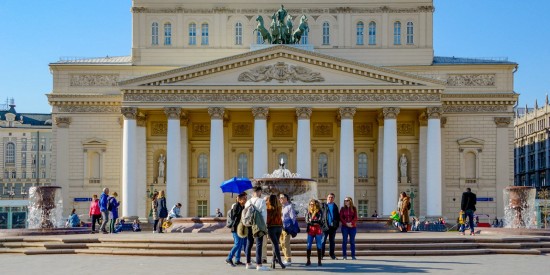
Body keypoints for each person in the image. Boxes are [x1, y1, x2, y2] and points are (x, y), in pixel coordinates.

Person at [244, 186, 269, 271]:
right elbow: (264, 215)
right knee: (259, 244)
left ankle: (248, 263)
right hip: (258, 225)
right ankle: (259, 264)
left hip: (249, 225)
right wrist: (264, 226)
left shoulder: (248, 202)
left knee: (249, 243)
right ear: (258, 192)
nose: (260, 194)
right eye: (260, 192)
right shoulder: (261, 201)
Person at [226, 192, 247, 267]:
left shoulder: (242, 206)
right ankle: (229, 258)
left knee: (240, 244)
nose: (246, 200)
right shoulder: (236, 206)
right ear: (240, 199)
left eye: (246, 198)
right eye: (244, 198)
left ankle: (237, 260)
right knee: (237, 244)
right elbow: (234, 216)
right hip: (235, 228)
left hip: (241, 228)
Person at [266, 194, 286, 269]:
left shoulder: (267, 207)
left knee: (275, 245)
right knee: (275, 244)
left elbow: (267, 218)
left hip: (271, 228)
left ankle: (279, 261)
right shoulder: (279, 206)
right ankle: (273, 261)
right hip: (279, 227)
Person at [306, 199, 324, 267]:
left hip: (318, 231)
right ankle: (308, 260)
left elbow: (320, 221)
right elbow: (307, 221)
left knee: (319, 245)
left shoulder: (319, 212)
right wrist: (314, 222)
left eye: (312, 204)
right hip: (310, 230)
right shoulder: (308, 212)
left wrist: (312, 222)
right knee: (308, 245)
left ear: (316, 205)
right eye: (310, 204)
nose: (311, 206)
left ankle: (319, 261)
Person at [322, 193, 340, 260]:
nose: (330, 198)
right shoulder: (323, 205)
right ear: (327, 198)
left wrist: (336, 225)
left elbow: (337, 217)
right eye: (329, 197)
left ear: (333, 198)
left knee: (332, 241)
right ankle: (321, 255)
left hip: (333, 227)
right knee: (323, 241)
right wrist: (322, 224)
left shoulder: (335, 206)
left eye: (332, 197)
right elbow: (320, 215)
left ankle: (332, 254)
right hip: (325, 227)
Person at [279, 193, 296, 266]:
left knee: (286, 243)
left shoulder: (289, 207)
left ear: (286, 198)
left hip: (287, 228)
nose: (280, 199)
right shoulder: (280, 207)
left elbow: (293, 218)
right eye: (280, 198)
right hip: (280, 228)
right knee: (282, 243)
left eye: (282, 197)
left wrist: (290, 228)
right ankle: (286, 258)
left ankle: (288, 259)